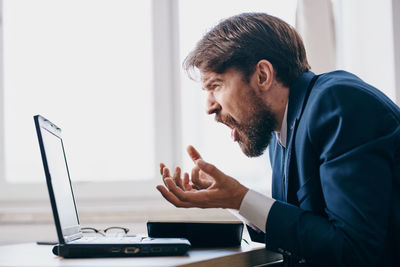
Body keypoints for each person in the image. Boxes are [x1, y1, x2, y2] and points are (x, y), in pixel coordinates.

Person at [156, 12, 400, 267]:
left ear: (262, 75)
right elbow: (305, 231)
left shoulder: (338, 103)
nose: (209, 107)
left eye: (216, 85)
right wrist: (231, 199)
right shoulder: (280, 132)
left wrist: (239, 197)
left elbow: (353, 251)